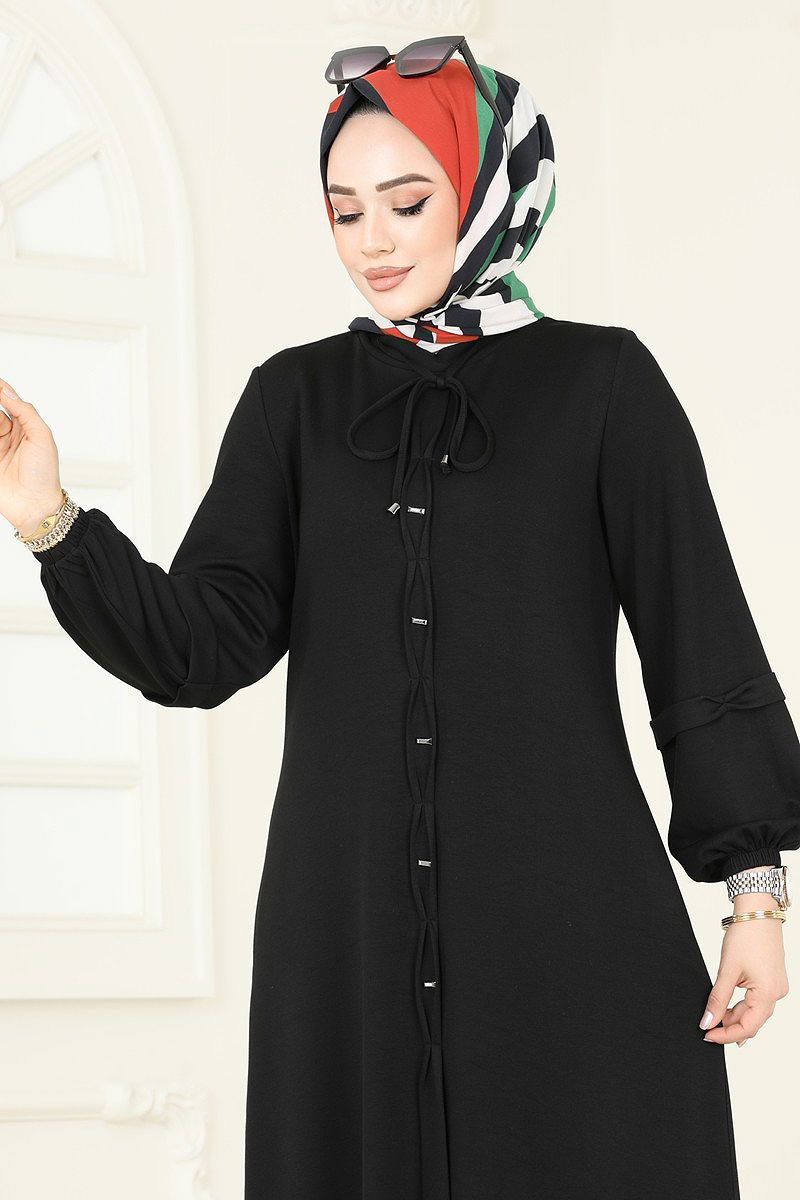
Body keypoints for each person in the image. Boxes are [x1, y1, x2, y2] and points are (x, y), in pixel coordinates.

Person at [1, 44, 798, 1200]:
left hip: (568, 933)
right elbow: (199, 647)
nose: (371, 240)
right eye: (343, 211)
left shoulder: (602, 386)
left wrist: (753, 898)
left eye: (407, 202)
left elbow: (699, 639)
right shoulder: (293, 403)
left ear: (481, 192)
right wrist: (47, 515)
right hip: (350, 942)